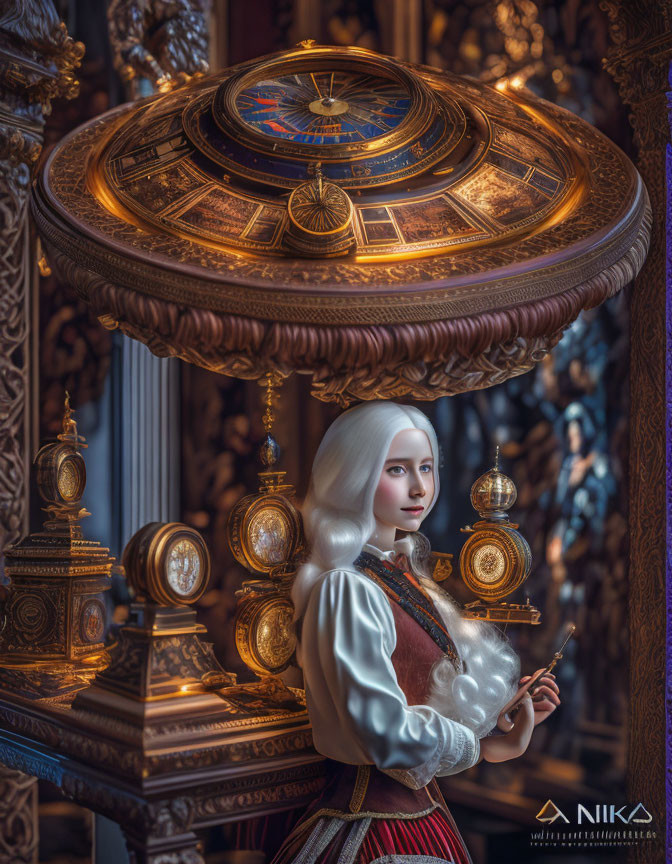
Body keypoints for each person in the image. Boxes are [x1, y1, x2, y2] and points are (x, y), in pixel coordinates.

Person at [273, 401, 560, 864]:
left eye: (426, 467)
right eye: (397, 469)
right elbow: (383, 732)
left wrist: (495, 728)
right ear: (355, 475)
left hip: (422, 818)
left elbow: (418, 707)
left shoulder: (400, 577)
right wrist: (474, 745)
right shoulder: (347, 589)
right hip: (373, 832)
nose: (419, 486)